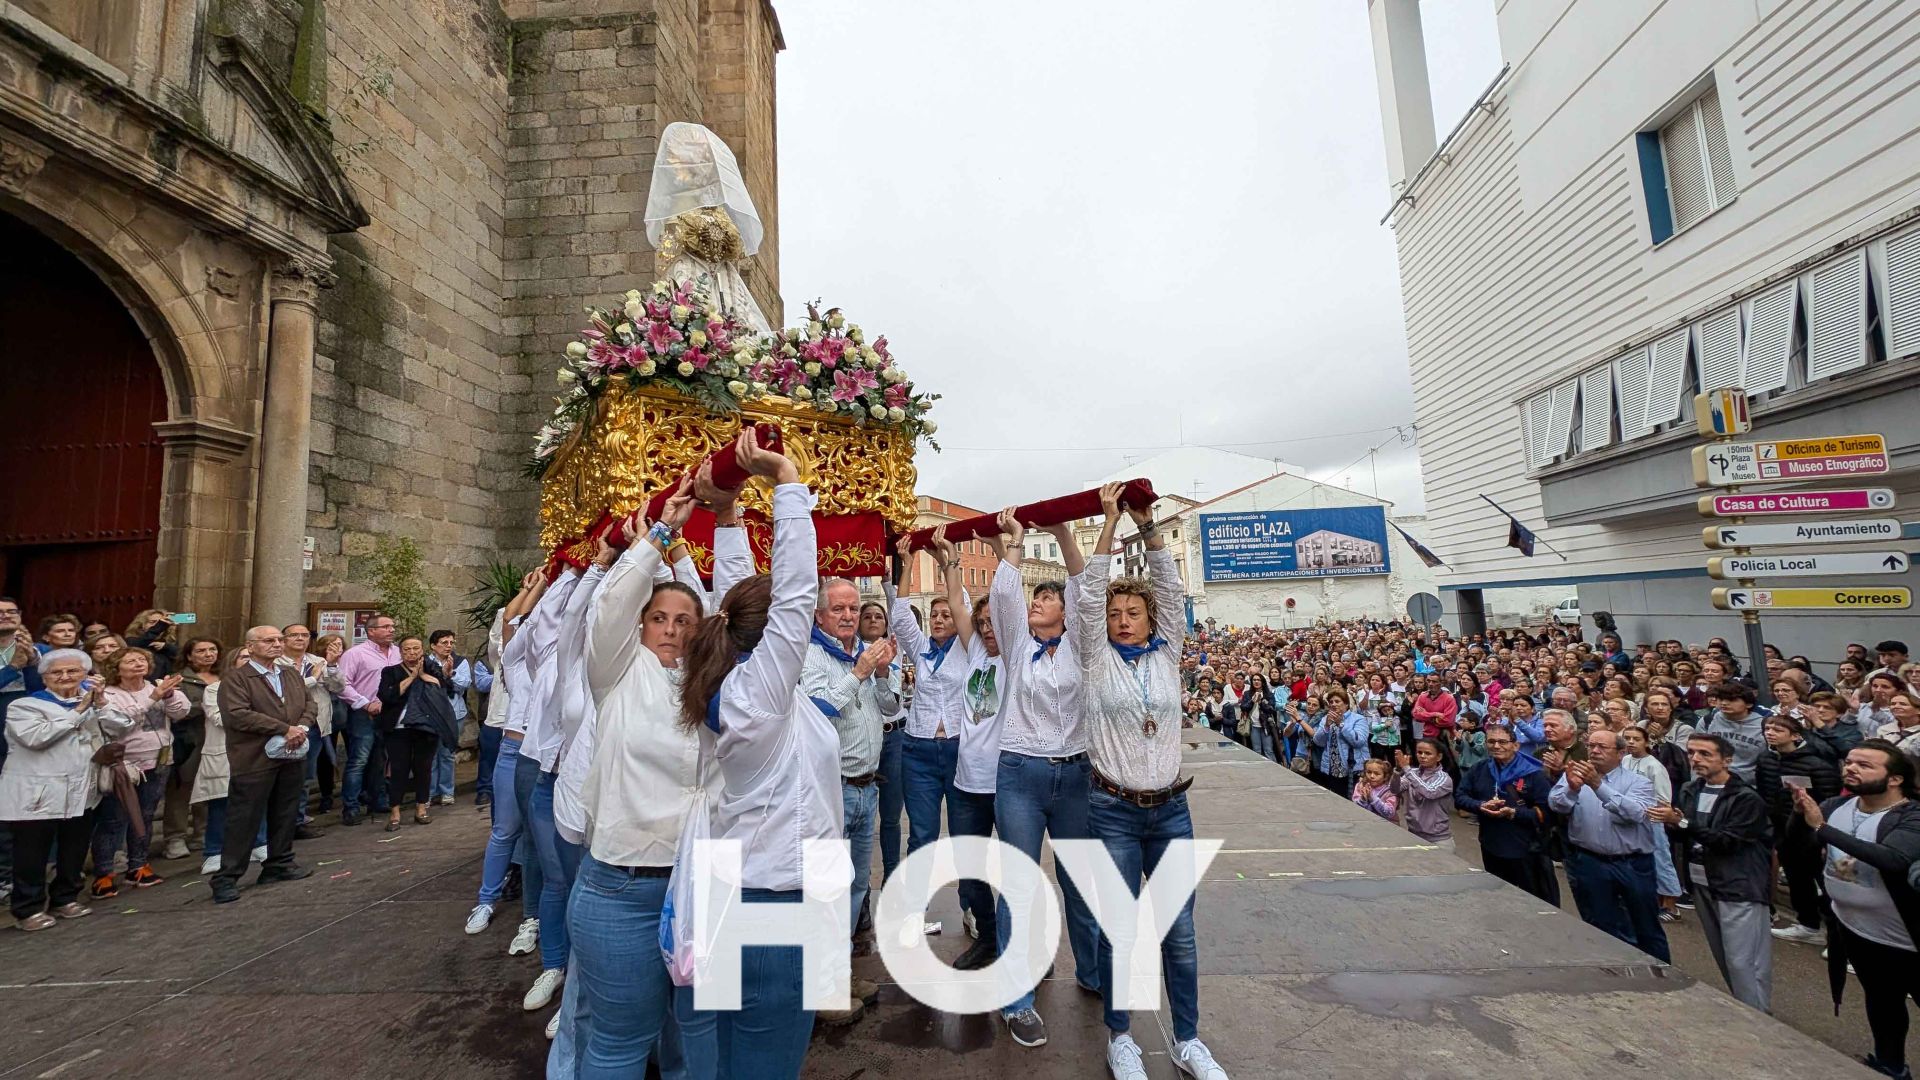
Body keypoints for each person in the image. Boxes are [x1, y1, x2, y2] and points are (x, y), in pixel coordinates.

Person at [676, 430, 841, 1075]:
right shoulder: (760, 697)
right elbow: (795, 595)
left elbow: (738, 599)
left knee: (727, 1058)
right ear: (773, 638)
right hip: (773, 899)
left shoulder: (735, 679)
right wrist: (788, 482)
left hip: (740, 888)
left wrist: (726, 516)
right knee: (764, 1064)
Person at [1074, 483, 1230, 1080]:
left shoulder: (1169, 653)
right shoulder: (1096, 655)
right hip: (1111, 808)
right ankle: (1121, 1039)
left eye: (1132, 613)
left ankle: (1188, 1041)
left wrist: (1149, 527)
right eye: (1116, 615)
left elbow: (1168, 584)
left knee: (1180, 934)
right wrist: (1110, 524)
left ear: (1150, 619)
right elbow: (1088, 596)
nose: (1121, 621)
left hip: (1170, 811)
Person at [565, 480, 712, 1079]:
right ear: (641, 625)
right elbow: (611, 606)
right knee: (621, 1044)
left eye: (684, 620)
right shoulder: (618, 672)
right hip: (623, 885)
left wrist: (691, 560)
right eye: (659, 618)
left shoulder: (718, 687)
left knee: (698, 1037)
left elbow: (730, 608)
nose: (672, 629)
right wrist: (659, 536)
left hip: (707, 881)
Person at [983, 504, 1100, 1048]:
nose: (1038, 603)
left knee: (1080, 879)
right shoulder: (1018, 646)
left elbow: (1082, 588)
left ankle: (1094, 972)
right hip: (1020, 774)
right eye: (1037, 597)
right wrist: (1015, 540)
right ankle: (1017, 999)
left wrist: (1061, 533)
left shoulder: (1078, 645)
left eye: (1047, 597)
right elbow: (1004, 596)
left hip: (1075, 773)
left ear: (1064, 612)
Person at [1790, 741, 1920, 1080]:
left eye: (1865, 764)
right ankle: (1890, 1065)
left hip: (1907, 935)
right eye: (1849, 762)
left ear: (1894, 779)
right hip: (1857, 929)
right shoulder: (1837, 805)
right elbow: (1797, 850)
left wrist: (1822, 828)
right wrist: (1799, 812)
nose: (1851, 768)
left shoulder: (1911, 816)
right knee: (1883, 1001)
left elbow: (1893, 859)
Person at [802, 572, 898, 990]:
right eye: (838, 609)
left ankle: (835, 967)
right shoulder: (809, 656)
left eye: (853, 608)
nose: (847, 615)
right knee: (825, 886)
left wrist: (880, 674)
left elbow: (892, 707)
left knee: (858, 881)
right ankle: (817, 976)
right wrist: (858, 672)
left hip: (867, 786)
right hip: (831, 789)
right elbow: (819, 711)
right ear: (819, 615)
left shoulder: (867, 651)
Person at [1, 649, 132, 930]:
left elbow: (122, 729)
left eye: (73, 671)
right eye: (55, 673)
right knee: (31, 854)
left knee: (73, 848)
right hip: (35, 793)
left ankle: (65, 898)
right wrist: (78, 712)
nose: (64, 677)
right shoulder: (25, 705)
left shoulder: (93, 703)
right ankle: (28, 909)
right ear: (44, 677)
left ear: (86, 675)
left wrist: (101, 704)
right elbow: (36, 738)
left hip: (81, 790)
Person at [885, 530, 970, 953]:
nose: (938, 620)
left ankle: (972, 907)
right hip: (918, 750)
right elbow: (901, 615)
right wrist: (904, 563)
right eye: (933, 615)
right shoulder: (920, 650)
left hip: (957, 751)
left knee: (964, 835)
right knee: (921, 835)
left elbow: (960, 602)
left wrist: (947, 561)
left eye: (944, 615)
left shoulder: (969, 651)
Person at [1648, 733, 1773, 1012]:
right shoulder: (1692, 789)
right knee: (1723, 955)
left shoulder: (1746, 798)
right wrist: (1671, 824)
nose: (1696, 759)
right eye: (1692, 753)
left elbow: (1728, 840)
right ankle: (1747, 1007)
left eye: (1705, 754)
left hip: (1737, 884)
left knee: (1744, 959)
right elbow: (1685, 835)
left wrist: (1680, 823)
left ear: (1727, 760)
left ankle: (1758, 1014)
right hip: (1701, 879)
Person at [467, 572, 549, 959]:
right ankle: (486, 900)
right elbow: (508, 624)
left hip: (547, 754)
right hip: (515, 749)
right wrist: (533, 587)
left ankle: (533, 917)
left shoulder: (564, 659)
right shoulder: (515, 663)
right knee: (505, 830)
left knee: (537, 841)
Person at [210, 626, 315, 904]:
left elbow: (309, 704)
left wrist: (301, 726)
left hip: (291, 754)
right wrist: (283, 728)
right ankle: (227, 876)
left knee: (285, 811)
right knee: (244, 817)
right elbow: (238, 715)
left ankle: (279, 863)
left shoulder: (290, 674)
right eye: (269, 641)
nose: (277, 645)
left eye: (279, 640)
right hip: (254, 757)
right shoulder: (238, 679)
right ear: (251, 645)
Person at [1549, 728, 1669, 962]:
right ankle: (1612, 971)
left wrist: (1597, 786)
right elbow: (1556, 804)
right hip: (1590, 861)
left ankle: (1660, 974)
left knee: (1645, 924)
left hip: (1632, 863)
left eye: (1602, 747)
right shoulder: (1575, 774)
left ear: (1621, 752)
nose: (1594, 751)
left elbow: (1634, 814)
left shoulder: (1639, 782)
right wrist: (1572, 789)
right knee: (1600, 924)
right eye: (1591, 745)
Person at [91, 646, 188, 896]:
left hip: (159, 760)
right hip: (124, 765)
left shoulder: (153, 687)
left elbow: (181, 713)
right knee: (114, 819)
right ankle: (104, 873)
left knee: (145, 815)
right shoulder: (110, 694)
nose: (138, 664)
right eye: (130, 660)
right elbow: (117, 725)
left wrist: (169, 696)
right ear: (116, 668)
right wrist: (154, 697)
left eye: (142, 660)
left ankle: (139, 866)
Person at [1455, 725, 1557, 903]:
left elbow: (1548, 814)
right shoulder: (1480, 769)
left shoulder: (1534, 773)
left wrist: (1514, 813)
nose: (1496, 746)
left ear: (1515, 745)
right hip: (1491, 845)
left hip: (1527, 850)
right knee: (1500, 898)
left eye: (1502, 742)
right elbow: (1460, 797)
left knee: (1533, 901)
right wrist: (1480, 805)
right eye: (1491, 742)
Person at [376, 636, 455, 832]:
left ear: (422, 650)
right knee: (399, 769)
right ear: (400, 652)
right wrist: (412, 677)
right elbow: (387, 696)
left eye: (416, 649)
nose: (412, 653)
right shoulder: (390, 671)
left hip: (426, 728)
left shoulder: (431, 668)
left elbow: (445, 690)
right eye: (407, 649)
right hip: (398, 729)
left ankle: (421, 808)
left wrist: (437, 675)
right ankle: (395, 812)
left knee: (424, 768)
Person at [160, 635, 223, 860]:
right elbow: (177, 709)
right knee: (181, 789)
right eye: (201, 650)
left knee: (211, 786)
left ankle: (203, 832)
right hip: (189, 739)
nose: (208, 654)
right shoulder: (180, 680)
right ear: (189, 655)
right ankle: (175, 836)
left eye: (212, 649)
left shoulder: (224, 676)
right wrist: (207, 705)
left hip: (218, 739)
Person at [336, 614, 400, 826]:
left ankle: (378, 799)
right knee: (359, 759)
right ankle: (351, 806)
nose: (392, 630)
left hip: (389, 713)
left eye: (392, 626)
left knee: (381, 759)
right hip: (364, 713)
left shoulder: (397, 652)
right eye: (386, 627)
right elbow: (342, 684)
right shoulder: (355, 654)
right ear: (371, 631)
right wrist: (365, 703)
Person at [1619, 725, 1682, 922]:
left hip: (1651, 817)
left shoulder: (1654, 766)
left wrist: (1653, 813)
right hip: (1630, 816)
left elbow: (1664, 798)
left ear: (1646, 742)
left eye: (1636, 739)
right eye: (1627, 738)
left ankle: (1671, 904)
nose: (1631, 742)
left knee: (1660, 858)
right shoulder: (1625, 760)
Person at [282, 626, 341, 830]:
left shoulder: (317, 662)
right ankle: (285, 819)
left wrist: (332, 666)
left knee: (306, 774)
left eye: (305, 635)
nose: (300, 638)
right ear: (283, 639)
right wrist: (313, 679)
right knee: (285, 774)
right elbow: (287, 692)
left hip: (314, 725)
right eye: (294, 635)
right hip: (284, 725)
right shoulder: (276, 663)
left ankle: (298, 816)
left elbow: (338, 687)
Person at [428, 630, 469, 806]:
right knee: (430, 755)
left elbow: (464, 684)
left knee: (447, 753)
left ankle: (446, 791)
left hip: (454, 713)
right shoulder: (426, 662)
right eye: (444, 643)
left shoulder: (459, 662)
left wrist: (450, 673)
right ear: (433, 645)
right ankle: (428, 792)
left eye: (451, 642)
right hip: (431, 714)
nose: (449, 646)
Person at [1392, 739, 1454, 850]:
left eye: (1428, 753)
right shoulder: (1413, 773)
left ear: (1439, 757)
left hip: (1438, 840)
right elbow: (1394, 790)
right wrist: (1397, 770)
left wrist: (1407, 769)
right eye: (1419, 752)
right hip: (1413, 835)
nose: (1422, 756)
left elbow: (1429, 792)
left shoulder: (1444, 778)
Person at [1705, 681, 1767, 782]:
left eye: (1732, 700)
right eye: (1721, 699)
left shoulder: (1763, 725)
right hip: (1713, 779)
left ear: (1749, 704)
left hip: (1748, 784)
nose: (1724, 703)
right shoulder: (1710, 719)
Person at [125, 609, 181, 677]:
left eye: (159, 622)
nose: (157, 625)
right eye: (152, 622)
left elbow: (182, 656)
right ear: (142, 625)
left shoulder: (169, 642)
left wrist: (166, 646)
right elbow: (142, 642)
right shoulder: (132, 640)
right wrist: (161, 625)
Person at [1350, 758, 1398, 823]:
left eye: (1377, 773)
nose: (1372, 776)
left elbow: (1390, 813)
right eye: (1369, 772)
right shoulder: (1360, 786)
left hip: (1384, 826)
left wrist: (1372, 798)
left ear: (1385, 776)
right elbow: (1354, 807)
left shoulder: (1390, 791)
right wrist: (1363, 799)